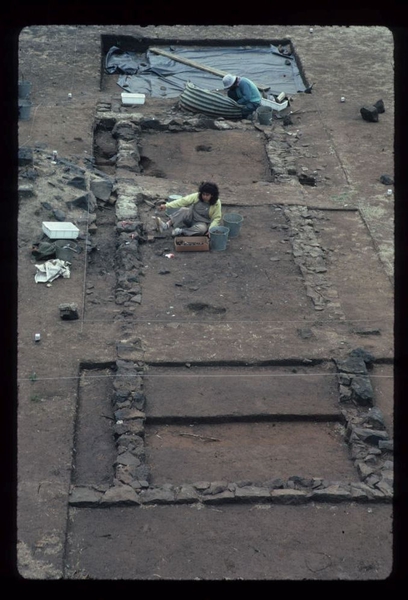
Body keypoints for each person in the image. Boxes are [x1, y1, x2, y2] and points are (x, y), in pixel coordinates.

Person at [156, 182, 222, 237]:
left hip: (201, 223)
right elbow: (183, 201)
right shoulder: (196, 196)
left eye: (207, 195)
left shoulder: (216, 203)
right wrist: (167, 205)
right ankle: (166, 225)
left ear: (212, 195)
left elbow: (217, 218)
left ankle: (181, 231)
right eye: (203, 194)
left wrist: (211, 230)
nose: (204, 196)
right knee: (183, 210)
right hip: (190, 217)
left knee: (202, 230)